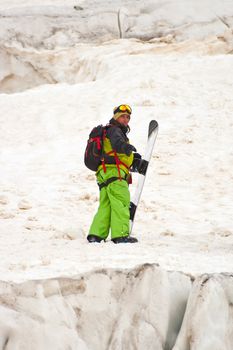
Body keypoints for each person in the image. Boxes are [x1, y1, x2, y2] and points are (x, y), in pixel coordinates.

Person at [87, 104, 147, 244]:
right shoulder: (115, 130)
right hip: (115, 173)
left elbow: (114, 151)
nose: (126, 119)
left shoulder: (107, 131)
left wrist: (133, 158)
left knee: (106, 205)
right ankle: (120, 235)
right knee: (121, 202)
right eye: (123, 116)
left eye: (128, 117)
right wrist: (125, 147)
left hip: (104, 172)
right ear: (116, 117)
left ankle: (96, 234)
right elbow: (118, 144)